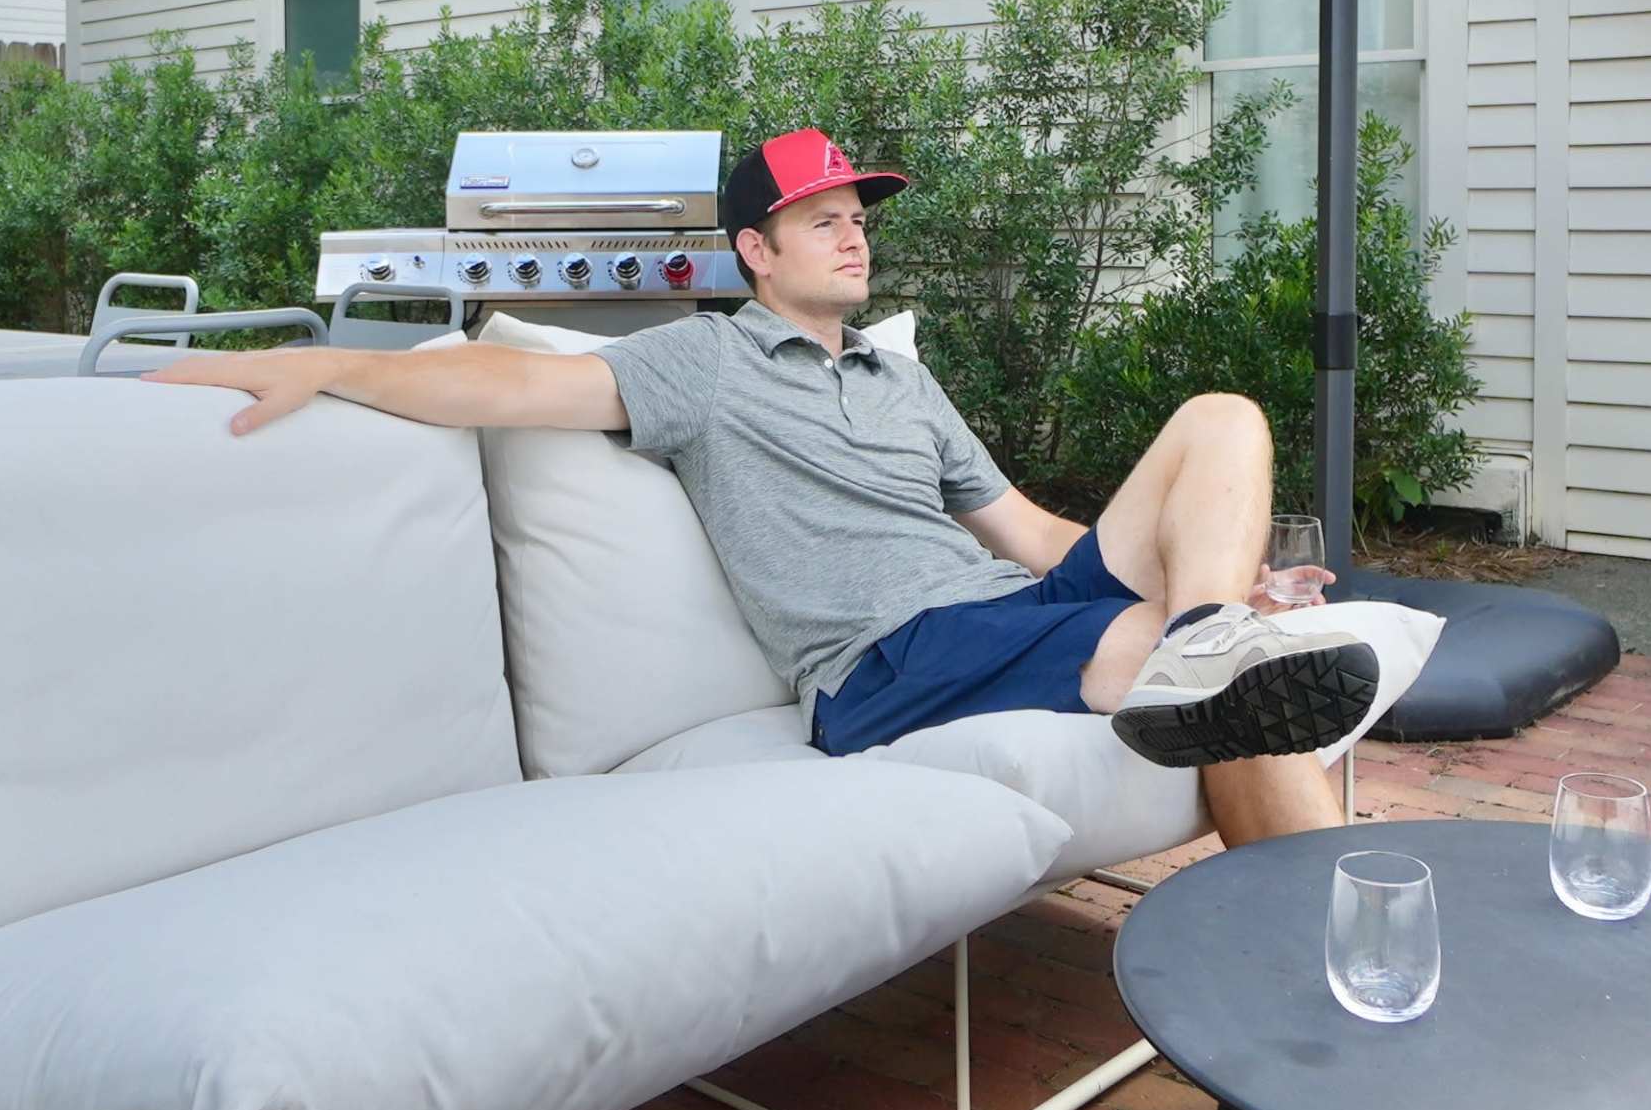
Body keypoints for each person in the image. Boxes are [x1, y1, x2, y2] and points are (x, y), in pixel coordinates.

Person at [153, 128, 1377, 846]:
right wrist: (327, 362)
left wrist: (1214, 577)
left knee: (1223, 421)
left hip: (1006, 606)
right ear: (756, 251)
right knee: (1229, 672)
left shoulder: (900, 379)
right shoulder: (704, 362)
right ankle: (1259, 768)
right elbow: (502, 387)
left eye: (859, 218)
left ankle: (1213, 637)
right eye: (823, 220)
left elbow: (1032, 533)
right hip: (891, 657)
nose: (855, 236)